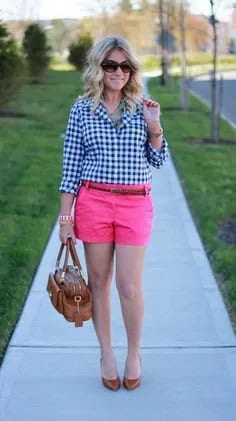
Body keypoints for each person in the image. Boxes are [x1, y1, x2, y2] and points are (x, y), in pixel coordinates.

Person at [58, 35, 168, 391]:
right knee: (99, 283)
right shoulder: (81, 109)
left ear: (132, 70)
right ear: (99, 68)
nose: (118, 72)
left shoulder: (144, 107)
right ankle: (106, 352)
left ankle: (133, 353)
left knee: (129, 286)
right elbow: (70, 165)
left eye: (125, 66)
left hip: (136, 202)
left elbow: (158, 161)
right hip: (94, 203)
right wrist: (65, 218)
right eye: (110, 65)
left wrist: (155, 128)